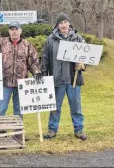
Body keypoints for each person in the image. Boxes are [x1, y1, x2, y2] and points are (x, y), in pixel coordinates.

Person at [0, 21, 43, 130]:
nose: (14, 32)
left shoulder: (27, 45)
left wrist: (36, 72)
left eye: (16, 29)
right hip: (4, 82)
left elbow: (34, 62)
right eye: (12, 29)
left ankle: (18, 132)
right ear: (9, 31)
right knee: (0, 108)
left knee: (19, 110)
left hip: (21, 83)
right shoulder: (0, 43)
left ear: (20, 31)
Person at [41, 12, 87, 141]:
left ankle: (79, 130)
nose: (63, 25)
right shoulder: (50, 39)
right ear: (57, 25)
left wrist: (82, 65)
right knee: (55, 107)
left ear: (69, 23)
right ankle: (52, 130)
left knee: (76, 107)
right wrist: (43, 75)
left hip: (73, 79)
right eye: (60, 23)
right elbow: (45, 59)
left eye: (65, 22)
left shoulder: (78, 38)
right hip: (57, 80)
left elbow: (86, 57)